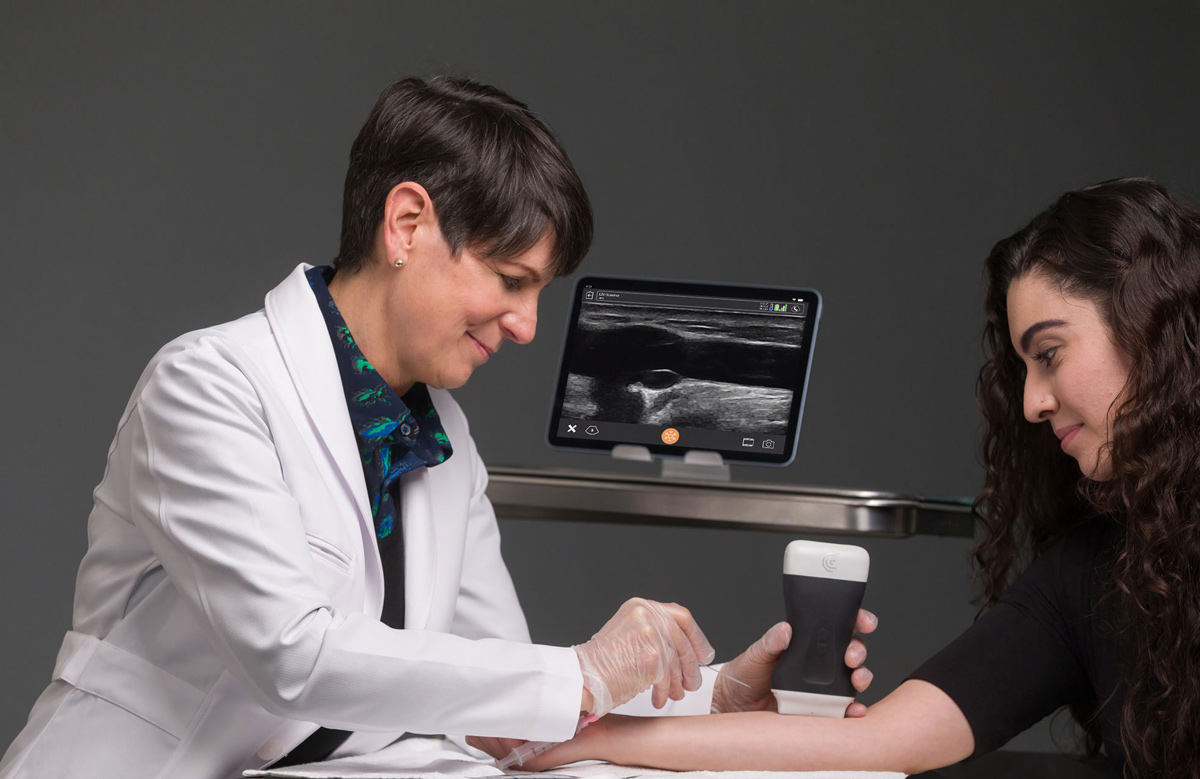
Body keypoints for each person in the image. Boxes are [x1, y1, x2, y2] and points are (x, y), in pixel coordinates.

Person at [0, 76, 875, 779]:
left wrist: (711, 697)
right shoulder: (209, 385)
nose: (527, 325)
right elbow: (292, 655)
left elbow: (503, 699)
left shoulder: (440, 436)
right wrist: (580, 669)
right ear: (408, 223)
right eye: (511, 279)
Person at [504, 177, 1200, 778]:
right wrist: (595, 737)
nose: (1031, 403)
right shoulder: (1090, 573)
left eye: (1048, 353)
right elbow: (878, 741)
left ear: (1149, 324)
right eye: (1023, 368)